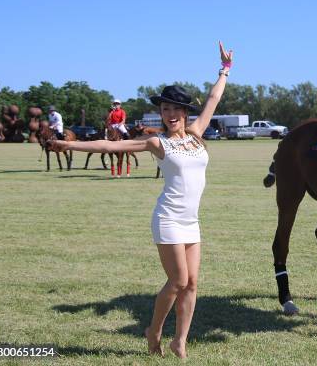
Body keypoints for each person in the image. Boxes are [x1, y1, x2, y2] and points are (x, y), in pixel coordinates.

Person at [48, 41, 233, 358]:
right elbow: (110, 148)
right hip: (168, 219)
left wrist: (225, 69)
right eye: (165, 109)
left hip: (191, 221)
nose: (170, 114)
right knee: (177, 281)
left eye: (175, 109)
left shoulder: (197, 133)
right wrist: (70, 147)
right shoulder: (156, 143)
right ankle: (154, 332)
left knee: (192, 284)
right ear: (161, 113)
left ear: (184, 112)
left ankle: (180, 341)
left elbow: (214, 97)